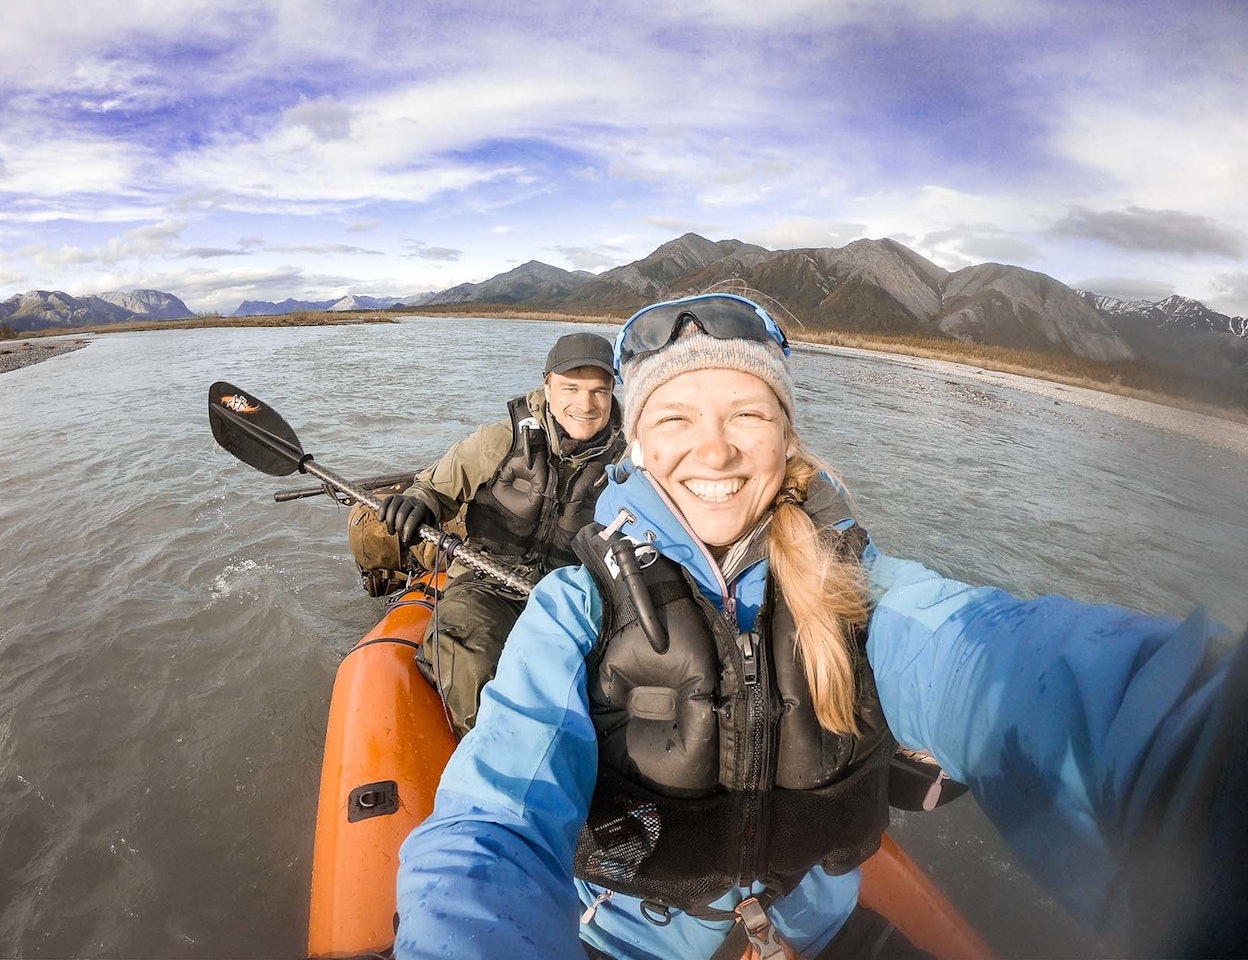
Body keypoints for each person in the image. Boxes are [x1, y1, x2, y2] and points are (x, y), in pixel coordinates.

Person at [394, 293, 1247, 959]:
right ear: (640, 447)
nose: (715, 450)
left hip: (822, 934)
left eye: (748, 414)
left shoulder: (861, 592)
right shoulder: (575, 606)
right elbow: (494, 826)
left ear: (786, 435)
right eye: (676, 418)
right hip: (632, 942)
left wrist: (1195, 763)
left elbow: (1006, 665)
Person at [377, 331, 626, 738]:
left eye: (599, 391)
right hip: (486, 581)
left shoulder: (631, 457)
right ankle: (491, 749)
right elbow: (433, 488)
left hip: (574, 596)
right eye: (571, 388)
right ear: (547, 385)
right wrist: (417, 502)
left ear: (613, 391)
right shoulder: (500, 439)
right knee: (471, 661)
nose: (585, 405)